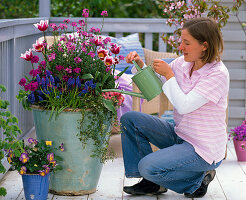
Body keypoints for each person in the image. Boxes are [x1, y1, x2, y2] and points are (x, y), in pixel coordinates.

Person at [120, 17, 229, 198]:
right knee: (130, 119)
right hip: (181, 134)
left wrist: (169, 74)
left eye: (186, 43)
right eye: (181, 42)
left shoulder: (217, 74)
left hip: (202, 149)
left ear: (204, 45)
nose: (180, 47)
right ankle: (151, 183)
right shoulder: (182, 63)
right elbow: (157, 84)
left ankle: (197, 180)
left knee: (148, 166)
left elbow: (184, 106)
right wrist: (140, 65)